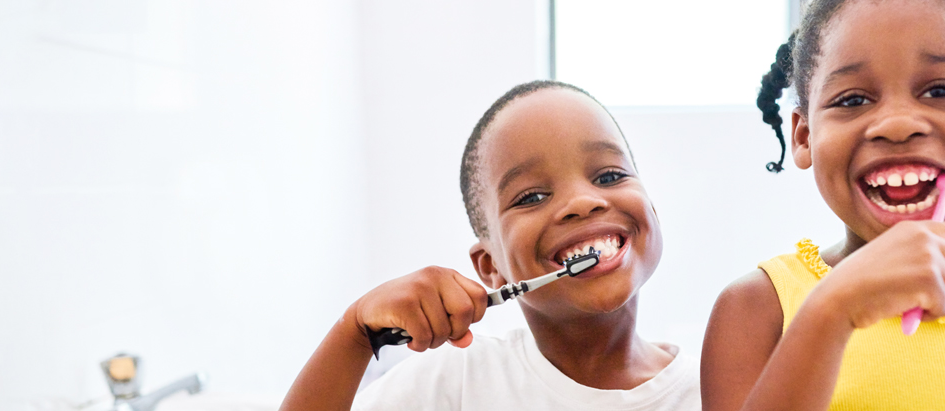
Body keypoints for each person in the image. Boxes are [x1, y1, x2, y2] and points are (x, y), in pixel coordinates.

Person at [701, 0, 945, 410]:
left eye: (941, 90)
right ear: (803, 137)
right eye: (852, 100)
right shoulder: (758, 309)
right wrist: (832, 311)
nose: (898, 124)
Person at [281, 80, 700, 411]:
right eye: (531, 197)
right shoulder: (454, 381)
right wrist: (354, 334)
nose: (582, 202)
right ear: (490, 266)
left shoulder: (714, 385)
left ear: (652, 210)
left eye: (609, 176)